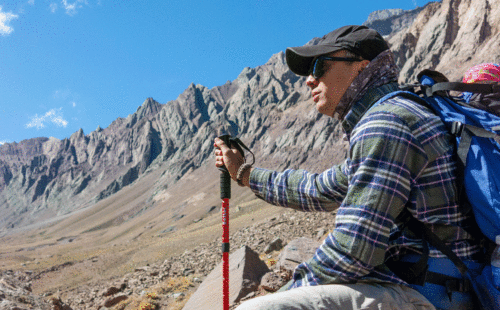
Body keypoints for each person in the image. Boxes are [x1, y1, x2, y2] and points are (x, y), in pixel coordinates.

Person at [214, 25, 481, 310]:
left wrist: (289, 291)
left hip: (430, 294)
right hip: (436, 284)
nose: (309, 80)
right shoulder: (396, 114)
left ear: (362, 67)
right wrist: (244, 173)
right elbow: (318, 189)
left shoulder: (386, 124)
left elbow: (353, 251)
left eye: (319, 66)